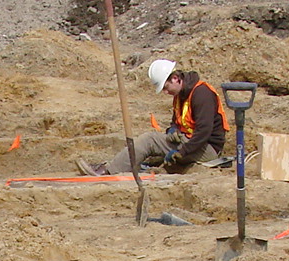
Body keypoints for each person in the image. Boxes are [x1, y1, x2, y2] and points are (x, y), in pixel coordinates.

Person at [77, 59, 229, 176]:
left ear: (175, 78)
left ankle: (109, 171)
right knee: (154, 145)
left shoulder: (201, 94)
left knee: (150, 140)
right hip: (193, 143)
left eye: (165, 87)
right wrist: (173, 130)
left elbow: (204, 132)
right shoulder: (181, 95)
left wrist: (182, 152)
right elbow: (177, 122)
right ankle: (118, 166)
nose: (165, 92)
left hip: (207, 149)